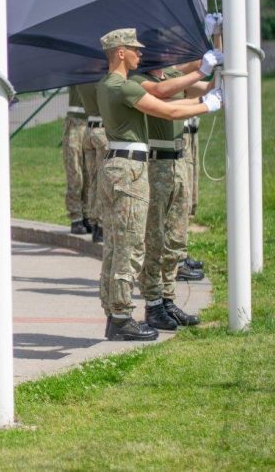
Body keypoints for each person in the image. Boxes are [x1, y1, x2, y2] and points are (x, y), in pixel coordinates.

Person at [95, 29, 222, 342]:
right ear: (120, 52)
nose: (140, 53)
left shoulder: (109, 84)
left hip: (121, 165)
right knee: (130, 244)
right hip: (130, 169)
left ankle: (116, 313)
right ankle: (122, 316)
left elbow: (175, 94)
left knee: (117, 245)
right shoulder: (123, 86)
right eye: (134, 49)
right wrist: (209, 105)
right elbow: (170, 109)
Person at [131, 54, 219, 330]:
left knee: (175, 237)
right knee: (154, 236)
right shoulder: (140, 81)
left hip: (179, 161)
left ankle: (168, 298)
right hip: (157, 163)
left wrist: (219, 52)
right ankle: (153, 302)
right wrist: (201, 70)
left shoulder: (170, 77)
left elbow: (208, 88)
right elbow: (164, 96)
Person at [77, 82, 107, 243]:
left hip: (89, 129)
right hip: (103, 129)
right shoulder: (104, 79)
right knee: (103, 179)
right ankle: (101, 225)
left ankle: (93, 220)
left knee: (93, 180)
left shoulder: (84, 78)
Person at [62, 85, 90, 234]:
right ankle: (76, 217)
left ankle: (87, 214)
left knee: (89, 173)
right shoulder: (78, 65)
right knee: (75, 172)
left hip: (93, 123)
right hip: (75, 123)